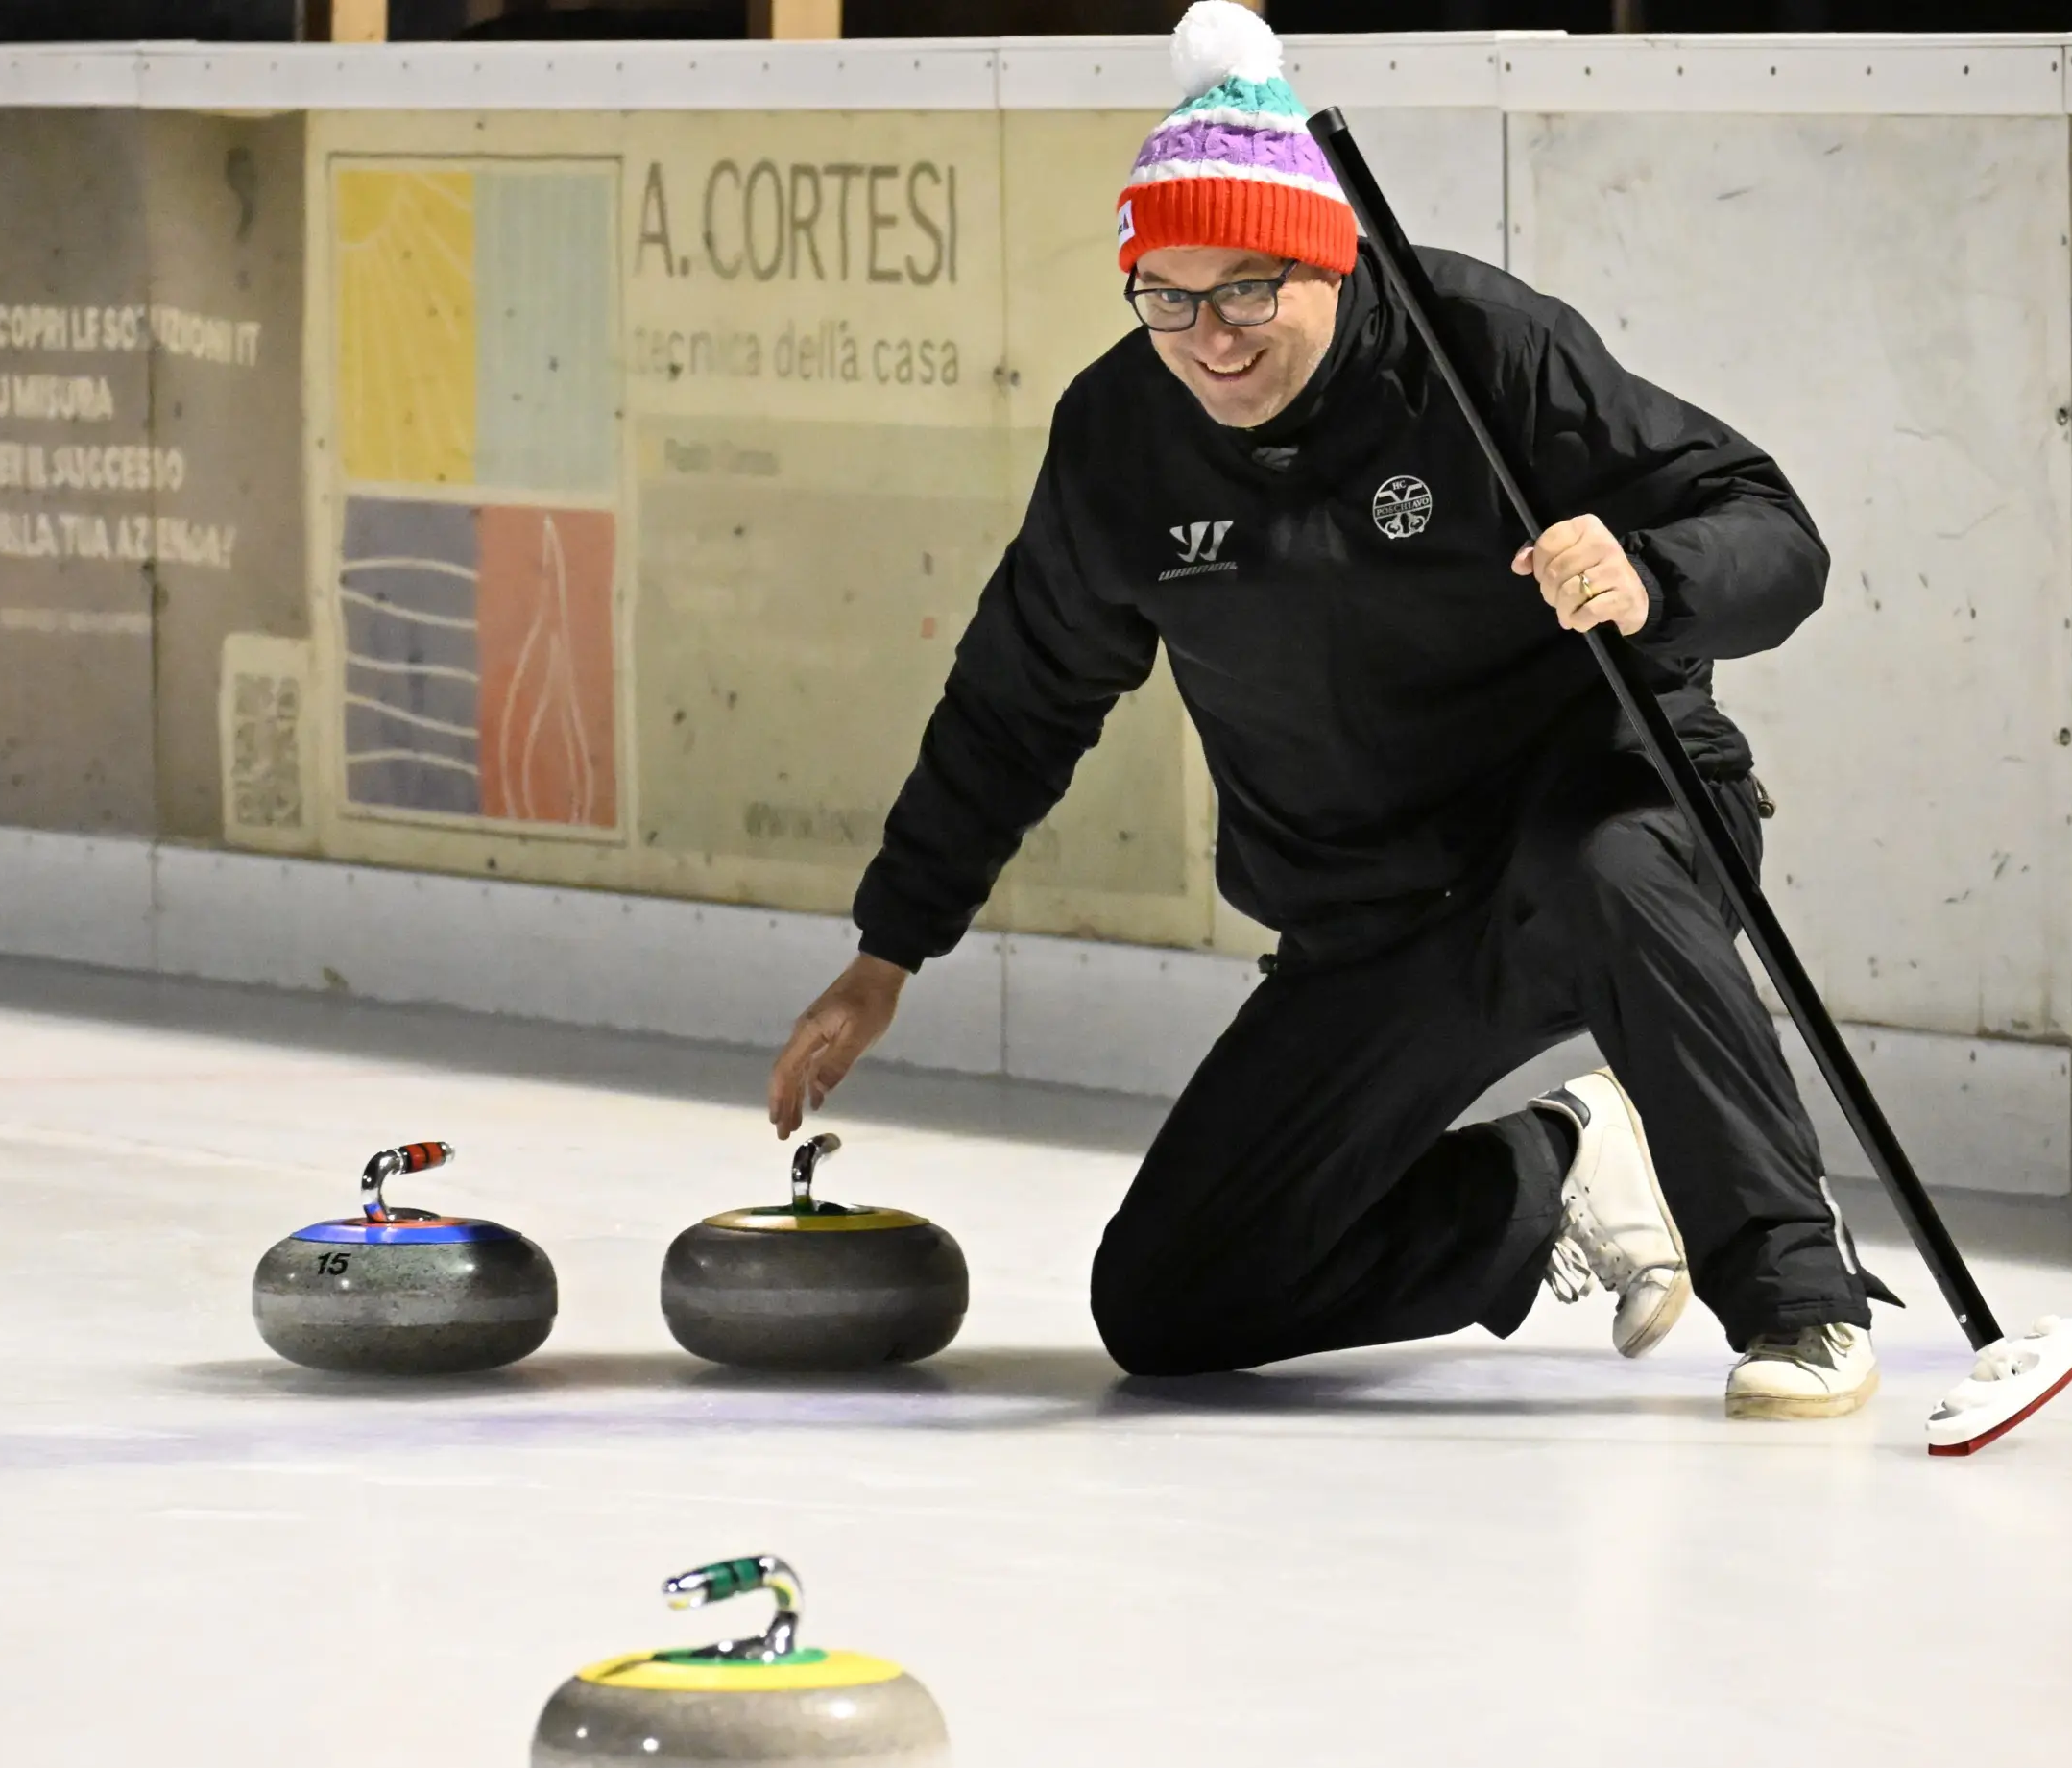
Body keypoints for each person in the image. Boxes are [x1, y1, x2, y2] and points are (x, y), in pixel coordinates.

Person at [764, 1, 1898, 1418]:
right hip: (1371, 913)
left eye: (1247, 291)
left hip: (1596, 816)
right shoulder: (1123, 436)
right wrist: (891, 950)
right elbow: (1018, 698)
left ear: (1329, 258)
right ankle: (1560, 1173)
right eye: (1165, 297)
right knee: (1172, 1300)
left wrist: (1652, 576)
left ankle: (1799, 1298)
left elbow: (1770, 530)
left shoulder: (1484, 351)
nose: (1209, 338)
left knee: (1608, 867)